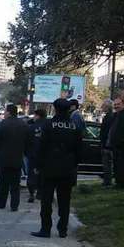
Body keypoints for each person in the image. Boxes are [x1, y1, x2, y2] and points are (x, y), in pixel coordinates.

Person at [32, 98, 83, 238]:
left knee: (46, 200)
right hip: (67, 169)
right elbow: (79, 150)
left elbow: (42, 147)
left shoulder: (49, 125)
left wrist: (37, 165)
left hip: (49, 168)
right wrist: (74, 164)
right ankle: (62, 229)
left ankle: (46, 228)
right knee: (64, 200)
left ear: (55, 109)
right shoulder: (74, 127)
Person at [0, 104, 32, 212]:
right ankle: (14, 205)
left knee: (2, 182)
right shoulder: (24, 125)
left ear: (9, 112)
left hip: (3, 159)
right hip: (17, 159)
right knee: (15, 184)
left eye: (5, 111)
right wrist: (25, 153)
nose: (4, 113)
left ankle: (0, 203)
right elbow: (29, 143)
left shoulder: (3, 124)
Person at [26, 109, 48, 203]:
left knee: (32, 175)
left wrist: (27, 153)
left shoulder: (32, 127)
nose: (34, 118)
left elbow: (27, 142)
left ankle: (32, 193)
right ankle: (40, 193)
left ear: (38, 116)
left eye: (34, 116)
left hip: (33, 155)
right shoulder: (49, 126)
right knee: (43, 176)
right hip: (46, 156)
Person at [68, 99, 86, 187]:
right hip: (78, 141)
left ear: (74, 106)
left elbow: (74, 129)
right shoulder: (78, 114)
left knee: (73, 164)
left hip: (75, 142)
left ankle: (72, 182)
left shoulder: (75, 115)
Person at [99, 99, 115, 187]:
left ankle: (107, 182)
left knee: (107, 164)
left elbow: (108, 132)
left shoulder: (110, 117)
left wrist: (106, 146)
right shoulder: (108, 117)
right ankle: (107, 181)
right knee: (106, 164)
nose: (102, 107)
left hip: (107, 145)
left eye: (103, 106)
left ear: (108, 107)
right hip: (106, 144)